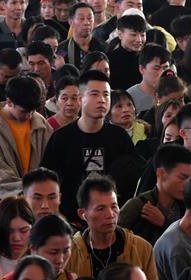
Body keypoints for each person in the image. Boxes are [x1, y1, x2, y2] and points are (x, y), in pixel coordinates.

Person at [66, 176, 162, 280]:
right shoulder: (70, 253)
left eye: (114, 206)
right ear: (83, 214)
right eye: (100, 209)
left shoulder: (141, 248)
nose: (110, 214)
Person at [40, 71, 136, 223]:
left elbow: (132, 180)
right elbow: (46, 182)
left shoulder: (120, 137)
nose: (102, 100)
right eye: (95, 94)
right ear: (80, 99)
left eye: (106, 95)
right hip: (71, 221)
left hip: (112, 220)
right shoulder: (61, 138)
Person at [0, 76, 51, 226]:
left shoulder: (41, 124)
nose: (29, 116)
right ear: (9, 102)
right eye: (24, 111)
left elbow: (50, 166)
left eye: (32, 111)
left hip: (37, 211)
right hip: (1, 210)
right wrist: (38, 197)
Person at [119, 143, 191, 245]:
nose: (187, 184)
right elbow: (113, 237)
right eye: (182, 177)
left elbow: (189, 242)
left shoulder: (188, 207)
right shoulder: (138, 206)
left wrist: (164, 223)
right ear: (161, 173)